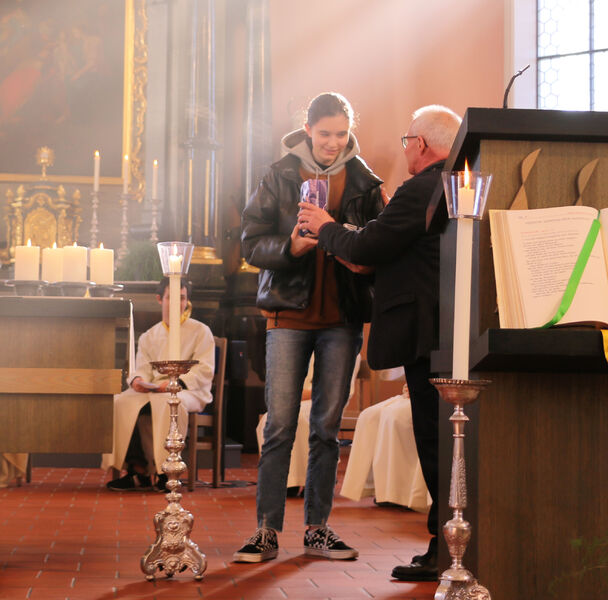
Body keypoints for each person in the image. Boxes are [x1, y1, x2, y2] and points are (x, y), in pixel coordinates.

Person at [298, 105, 462, 581]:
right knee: (442, 442)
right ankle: (445, 543)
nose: (406, 149)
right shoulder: (454, 184)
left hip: (425, 335)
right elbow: (394, 249)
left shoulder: (423, 187)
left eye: (408, 141)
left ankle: (446, 549)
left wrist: (325, 226)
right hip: (447, 331)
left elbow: (370, 248)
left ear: (422, 145)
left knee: (436, 443)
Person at [235, 92, 386, 563]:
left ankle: (318, 529)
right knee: (280, 425)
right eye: (324, 134)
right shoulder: (279, 174)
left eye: (341, 134)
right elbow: (250, 243)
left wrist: (359, 257)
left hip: (342, 318)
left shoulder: (364, 182)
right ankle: (266, 530)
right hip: (288, 315)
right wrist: (291, 249)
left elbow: (380, 246)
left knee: (325, 427)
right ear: (308, 130)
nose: (332, 143)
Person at [102, 277, 215, 492]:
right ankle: (138, 470)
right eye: (171, 297)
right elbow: (142, 367)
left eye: (182, 298)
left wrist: (174, 383)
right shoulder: (150, 335)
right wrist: (138, 380)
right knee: (120, 402)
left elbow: (204, 370)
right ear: (159, 299)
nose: (177, 303)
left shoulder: (201, 331)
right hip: (155, 389)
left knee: (166, 403)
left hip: (189, 391)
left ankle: (167, 472)